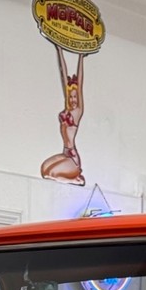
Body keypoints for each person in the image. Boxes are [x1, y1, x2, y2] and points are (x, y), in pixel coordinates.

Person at [40, 45, 85, 185]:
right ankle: (73, 177)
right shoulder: (66, 110)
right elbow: (63, 77)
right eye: (70, 97)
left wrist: (81, 57)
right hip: (65, 153)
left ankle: (77, 180)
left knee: (50, 174)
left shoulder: (77, 112)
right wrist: (59, 51)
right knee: (44, 170)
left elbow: (80, 82)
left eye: (74, 97)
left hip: (72, 158)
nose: (72, 100)